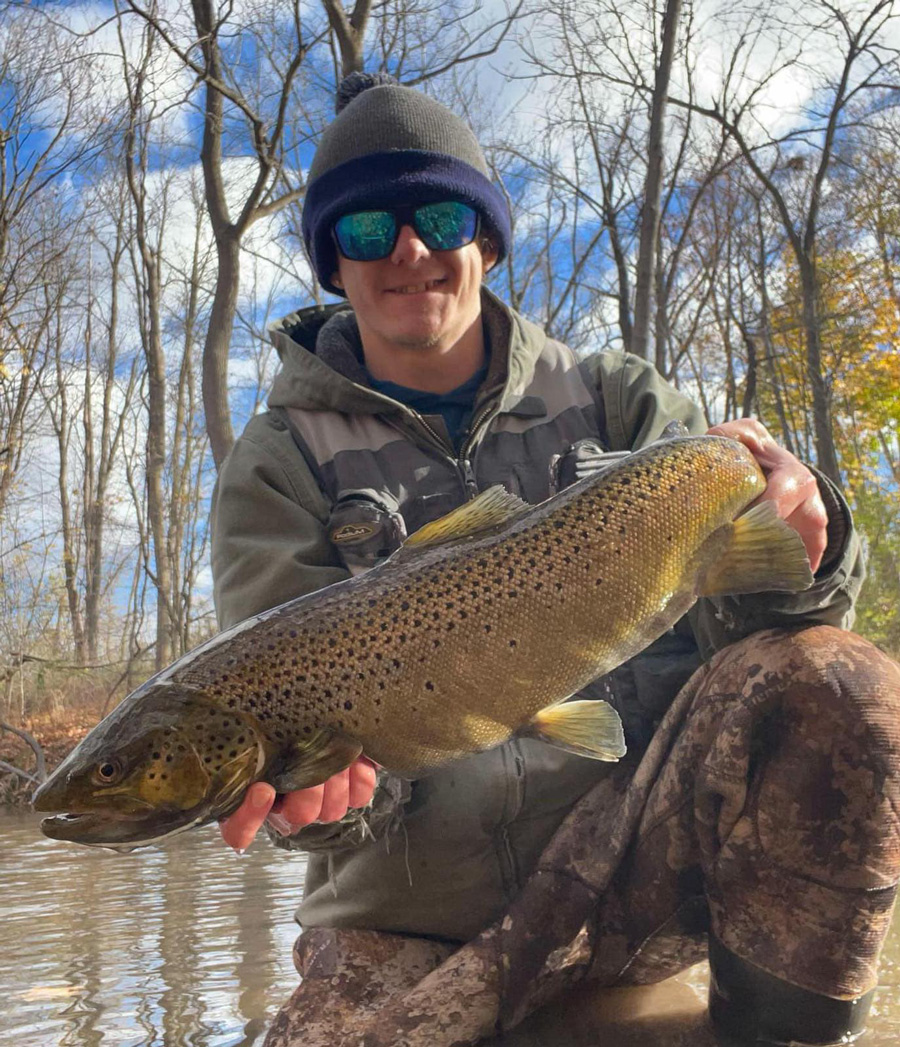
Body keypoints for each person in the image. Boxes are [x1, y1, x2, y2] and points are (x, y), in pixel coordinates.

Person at [209, 72, 900, 1047]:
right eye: (366, 231)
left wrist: (810, 524)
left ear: (485, 240)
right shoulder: (278, 464)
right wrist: (312, 804)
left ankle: (782, 1026)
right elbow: (310, 769)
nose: (408, 250)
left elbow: (771, 613)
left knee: (841, 677)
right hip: (415, 916)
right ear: (334, 264)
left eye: (439, 215)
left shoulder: (621, 401)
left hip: (637, 867)